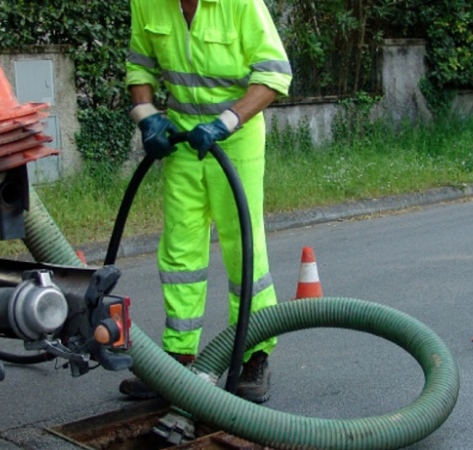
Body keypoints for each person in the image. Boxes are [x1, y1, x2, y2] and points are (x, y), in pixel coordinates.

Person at [119, 0, 292, 403]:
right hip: (181, 141)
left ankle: (254, 358)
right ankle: (179, 360)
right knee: (180, 252)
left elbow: (274, 74)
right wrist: (147, 115)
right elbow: (139, 66)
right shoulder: (147, 4)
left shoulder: (241, 5)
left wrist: (225, 122)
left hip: (237, 139)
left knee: (244, 250)